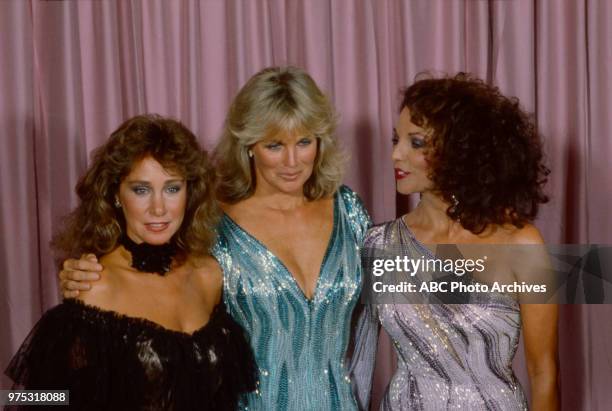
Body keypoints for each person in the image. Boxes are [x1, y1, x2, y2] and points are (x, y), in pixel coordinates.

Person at [59, 67, 371, 410]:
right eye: (274, 145)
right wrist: (85, 273)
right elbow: (151, 280)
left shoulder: (349, 211)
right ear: (249, 145)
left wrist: (439, 210)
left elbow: (406, 297)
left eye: (304, 142)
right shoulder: (213, 223)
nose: (292, 161)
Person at [7, 115, 256, 410]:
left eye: (172, 188)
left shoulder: (209, 275)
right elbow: (40, 398)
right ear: (115, 194)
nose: (159, 208)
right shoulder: (93, 286)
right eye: (141, 190)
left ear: (190, 193)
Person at [350, 74, 559, 410]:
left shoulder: (521, 244)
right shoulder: (379, 244)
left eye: (415, 143)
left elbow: (544, 372)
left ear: (461, 149)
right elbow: (354, 362)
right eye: (396, 140)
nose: (395, 156)